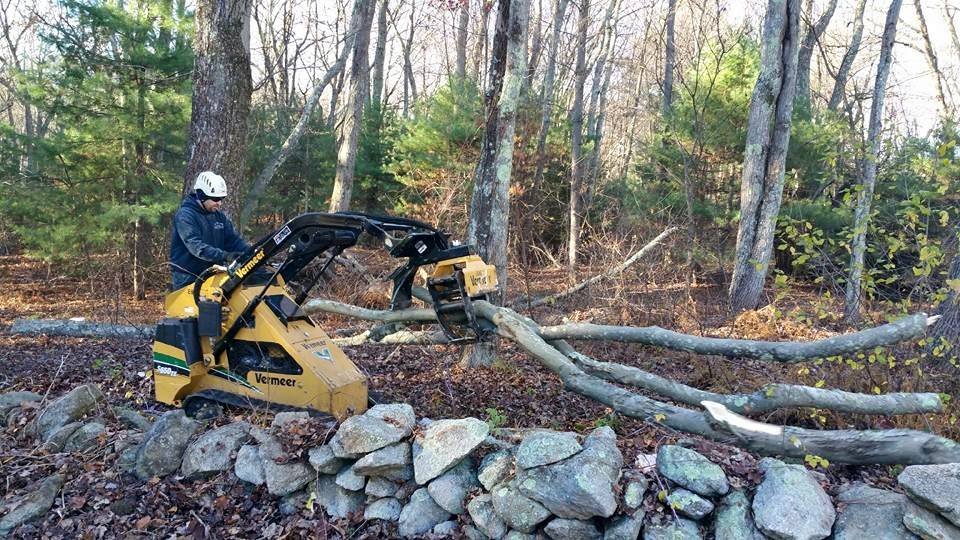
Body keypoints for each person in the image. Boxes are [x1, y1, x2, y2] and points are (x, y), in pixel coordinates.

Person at [169, 171, 249, 290]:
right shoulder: (185, 216)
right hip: (188, 277)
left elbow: (232, 240)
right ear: (201, 196)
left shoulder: (218, 216)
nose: (219, 203)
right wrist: (226, 255)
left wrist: (250, 253)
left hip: (212, 274)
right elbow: (197, 247)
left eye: (221, 199)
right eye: (215, 199)